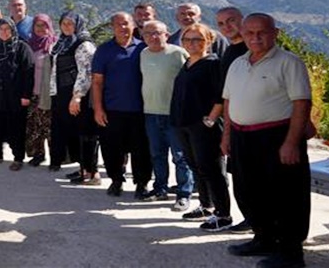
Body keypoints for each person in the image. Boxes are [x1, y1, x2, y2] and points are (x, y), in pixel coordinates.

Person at [223, 13, 312, 268]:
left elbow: (302, 103)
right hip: (241, 136)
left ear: (275, 33)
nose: (255, 37)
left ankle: (291, 253)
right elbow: (228, 100)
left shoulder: (289, 62)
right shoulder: (238, 63)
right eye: (250, 33)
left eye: (262, 32)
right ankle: (264, 239)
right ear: (243, 34)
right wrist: (227, 135)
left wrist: (291, 142)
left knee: (286, 196)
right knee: (249, 191)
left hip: (277, 136)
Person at [170, 22, 231, 231]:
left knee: (212, 170)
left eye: (197, 39)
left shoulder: (213, 64)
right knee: (197, 167)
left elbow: (221, 95)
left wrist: (211, 119)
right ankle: (206, 206)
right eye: (187, 39)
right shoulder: (187, 62)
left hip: (204, 125)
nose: (191, 43)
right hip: (184, 124)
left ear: (209, 41)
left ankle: (223, 214)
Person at [92, 12, 151, 198]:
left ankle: (142, 183)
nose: (122, 27)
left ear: (133, 25)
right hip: (112, 109)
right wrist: (98, 109)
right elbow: (97, 82)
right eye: (118, 24)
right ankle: (116, 180)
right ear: (112, 27)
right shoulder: (103, 50)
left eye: (125, 23)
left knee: (142, 149)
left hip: (141, 109)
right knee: (112, 148)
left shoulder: (144, 48)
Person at [139, 20, 193, 209]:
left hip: (174, 114)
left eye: (157, 33)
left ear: (167, 35)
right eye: (148, 33)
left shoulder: (178, 53)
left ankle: (184, 194)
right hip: (151, 112)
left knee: (180, 156)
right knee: (157, 154)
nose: (153, 37)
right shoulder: (143, 54)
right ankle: (160, 189)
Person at [215, 6, 252, 234]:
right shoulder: (230, 52)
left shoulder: (254, 49)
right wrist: (226, 132)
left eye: (231, 20)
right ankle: (252, 220)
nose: (226, 26)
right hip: (236, 124)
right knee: (241, 177)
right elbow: (226, 95)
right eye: (221, 23)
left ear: (242, 20)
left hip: (260, 125)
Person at [49, 12, 98, 182]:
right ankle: (83, 168)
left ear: (78, 25)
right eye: (64, 23)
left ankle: (91, 172)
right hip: (62, 94)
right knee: (74, 133)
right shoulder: (62, 43)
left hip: (78, 96)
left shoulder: (84, 44)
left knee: (85, 132)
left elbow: (87, 72)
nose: (66, 27)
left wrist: (77, 96)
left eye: (70, 23)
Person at [0, 18, 34, 170]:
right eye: (1, 29)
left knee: (15, 128)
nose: (4, 32)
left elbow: (28, 72)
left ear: (13, 30)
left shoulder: (22, 47)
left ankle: (18, 158)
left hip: (14, 96)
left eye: (8, 29)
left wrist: (26, 95)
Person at [25, 14, 56, 168]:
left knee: (50, 127)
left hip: (49, 94)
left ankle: (55, 157)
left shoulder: (55, 46)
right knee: (34, 126)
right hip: (32, 93)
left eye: (44, 25)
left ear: (49, 27)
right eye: (38, 25)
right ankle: (38, 154)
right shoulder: (28, 46)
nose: (41, 29)